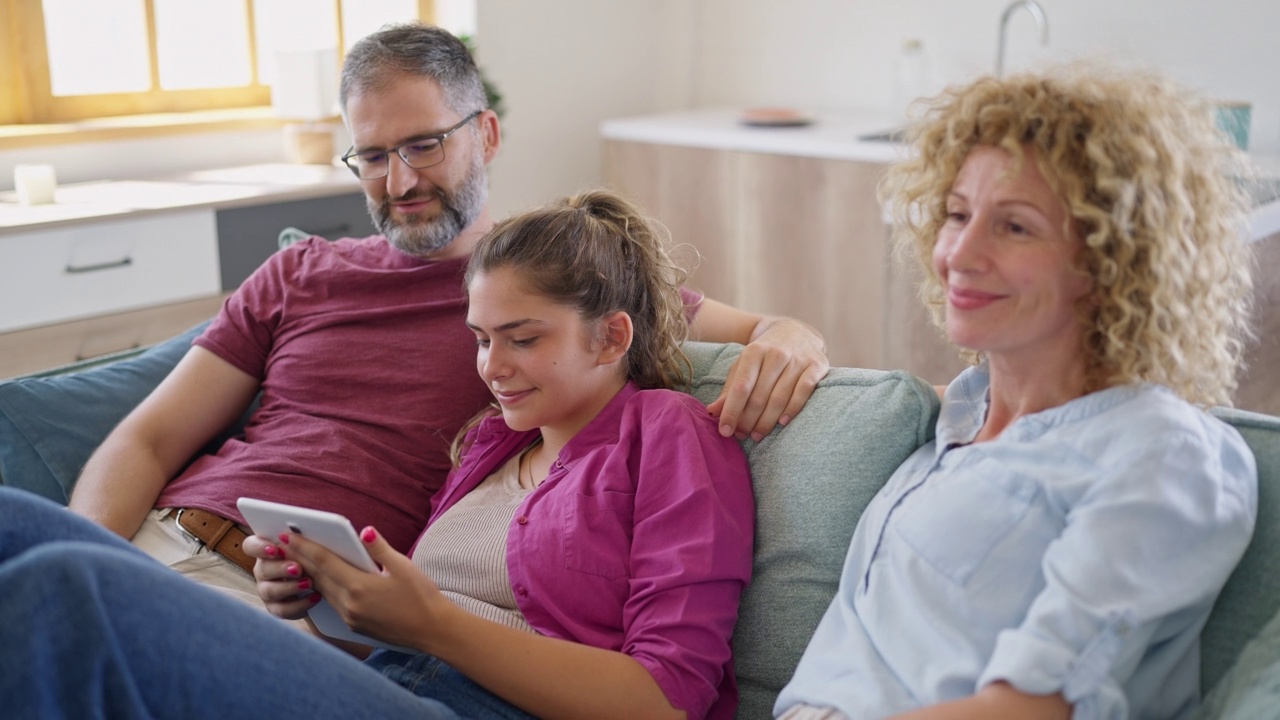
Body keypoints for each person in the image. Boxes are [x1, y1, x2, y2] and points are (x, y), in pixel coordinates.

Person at [65, 23, 826, 608]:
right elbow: (149, 436)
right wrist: (93, 565)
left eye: (423, 145)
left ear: (485, 134)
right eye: (371, 156)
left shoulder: (552, 291)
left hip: (286, 607)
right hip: (156, 547)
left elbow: (762, 328)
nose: (398, 181)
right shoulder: (299, 272)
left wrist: (794, 335)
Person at [0, 189, 754, 720]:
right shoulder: (487, 446)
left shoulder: (670, 435)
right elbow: (401, 633)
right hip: (383, 683)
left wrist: (431, 625)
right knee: (16, 524)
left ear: (612, 336)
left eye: (523, 339)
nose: (492, 367)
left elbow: (666, 698)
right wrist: (327, 602)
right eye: (482, 340)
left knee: (70, 587)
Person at [774, 64, 1258, 719]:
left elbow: (1030, 709)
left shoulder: (1162, 452)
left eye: (1015, 227)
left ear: (1111, 260)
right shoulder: (960, 415)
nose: (959, 254)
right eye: (957, 214)